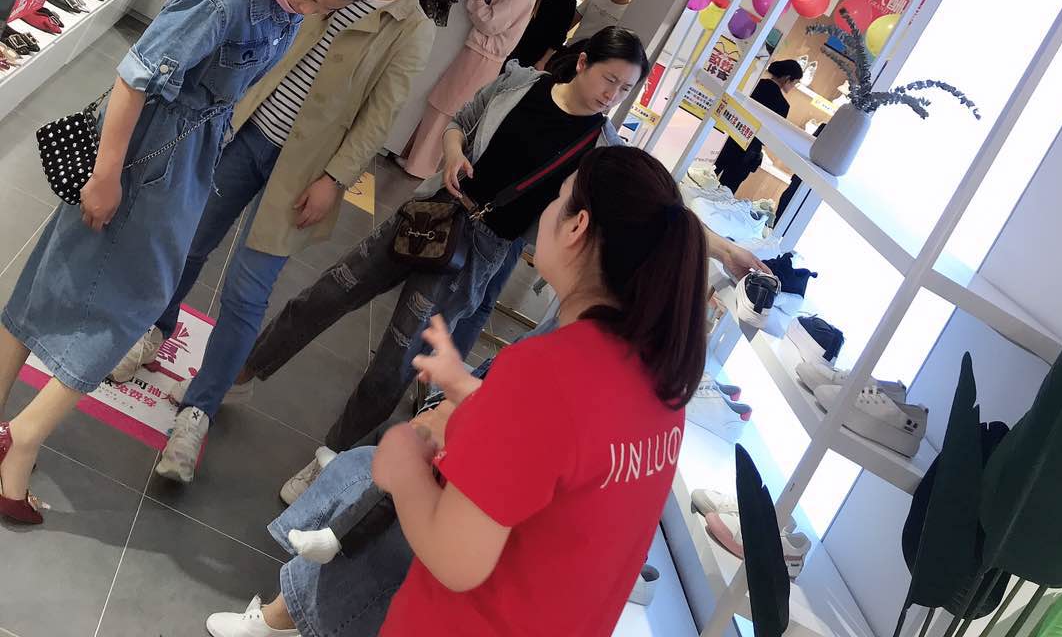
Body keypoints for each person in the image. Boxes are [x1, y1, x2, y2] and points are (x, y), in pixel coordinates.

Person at [208, 185, 767, 637]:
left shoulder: (554, 368)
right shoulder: (660, 382)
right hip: (549, 607)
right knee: (376, 496)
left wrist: (404, 464)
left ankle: (288, 610)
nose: (546, 210)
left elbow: (456, 557)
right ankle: (288, 608)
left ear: (576, 226)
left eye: (558, 199)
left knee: (378, 504)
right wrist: (462, 393)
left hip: (472, 612)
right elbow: (556, 451)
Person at [0, 0, 388, 525]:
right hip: (149, 150)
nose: (307, 8)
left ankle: (12, 432)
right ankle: (21, 442)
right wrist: (106, 175)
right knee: (133, 300)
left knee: (69, 265)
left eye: (322, 7)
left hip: (185, 152)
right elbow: (134, 77)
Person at [244, 26, 650, 504]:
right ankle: (241, 369)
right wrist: (454, 152)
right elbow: (462, 120)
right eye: (609, 80)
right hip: (433, 214)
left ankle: (328, 459)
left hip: (479, 254)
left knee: (397, 360)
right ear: (582, 63)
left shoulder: (601, 152)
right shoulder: (522, 83)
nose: (612, 96)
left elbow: (634, 209)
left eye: (625, 89)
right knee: (330, 292)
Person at [135, 0, 465, 483]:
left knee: (247, 290)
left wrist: (335, 179)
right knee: (189, 239)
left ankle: (199, 409)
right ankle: (155, 330)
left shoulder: (411, 28)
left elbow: (378, 116)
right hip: (248, 127)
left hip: (306, 169)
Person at [397, 0, 545, 178]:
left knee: (447, 108)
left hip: (481, 58)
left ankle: (421, 166)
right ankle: (419, 163)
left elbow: (490, 22)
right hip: (482, 57)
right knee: (446, 106)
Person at [714, 58, 803, 193]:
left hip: (726, 139)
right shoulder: (783, 106)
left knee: (705, 175)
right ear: (787, 78)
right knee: (725, 191)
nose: (793, 87)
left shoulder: (754, 85)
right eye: (795, 82)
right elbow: (769, 136)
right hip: (747, 152)